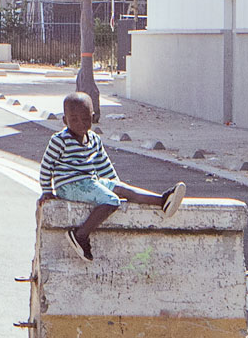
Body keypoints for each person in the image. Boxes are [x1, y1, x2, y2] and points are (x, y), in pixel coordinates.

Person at [38, 91, 171, 260]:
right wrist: (47, 190)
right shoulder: (59, 140)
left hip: (90, 182)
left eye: (85, 119)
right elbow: (46, 166)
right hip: (69, 186)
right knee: (111, 200)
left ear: (92, 117)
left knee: (122, 189)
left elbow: (104, 166)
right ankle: (80, 235)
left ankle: (163, 200)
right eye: (74, 120)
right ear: (65, 120)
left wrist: (114, 185)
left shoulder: (94, 139)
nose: (80, 124)